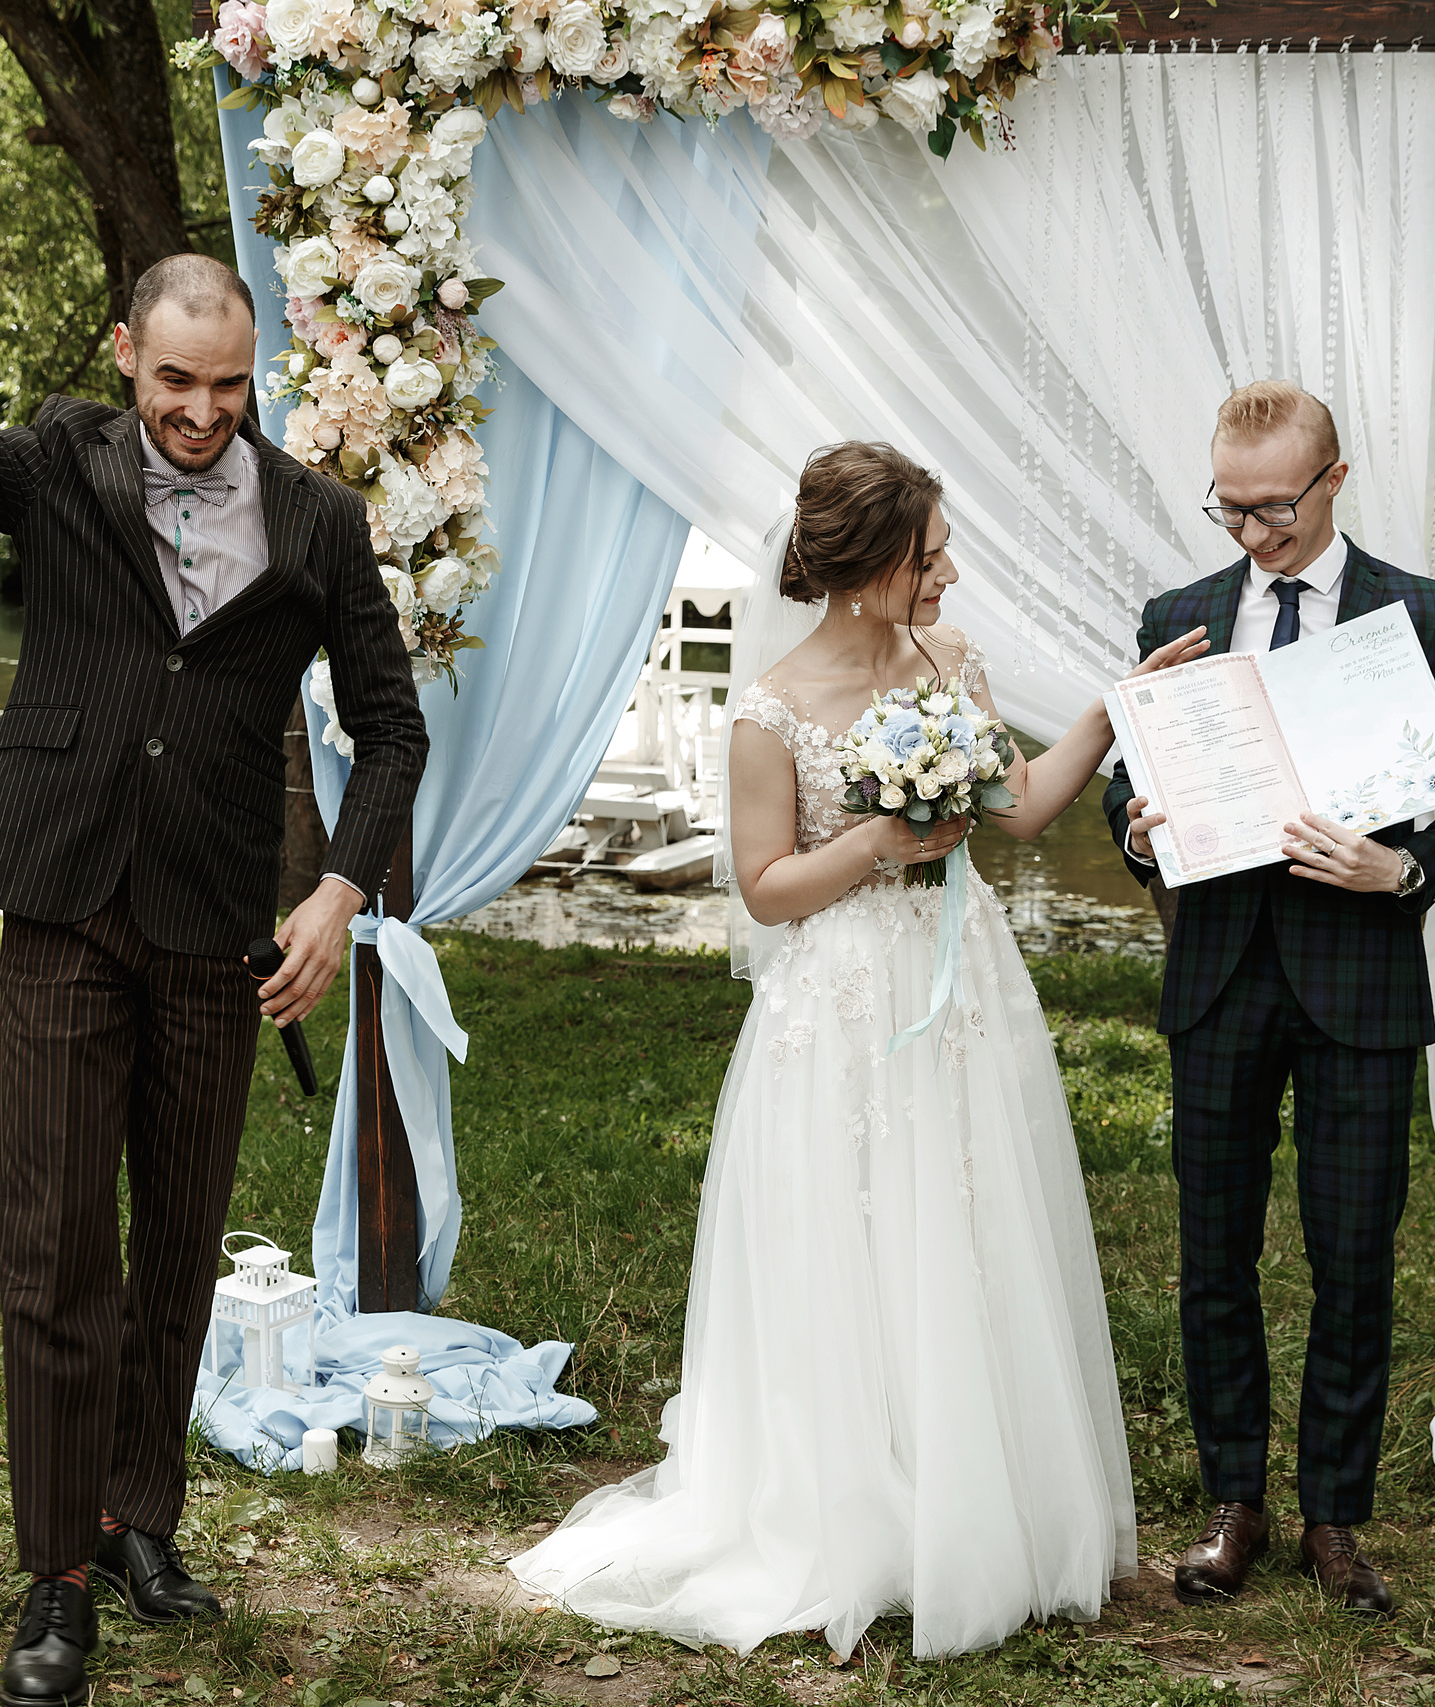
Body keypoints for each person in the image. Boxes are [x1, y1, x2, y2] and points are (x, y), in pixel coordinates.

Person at [0, 92, 427, 1707]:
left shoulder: (319, 525)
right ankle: (56, 1576)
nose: (199, 414)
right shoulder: (55, 468)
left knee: (178, 1253)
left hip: (222, 920)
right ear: (130, 354)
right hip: (67, 893)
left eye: (228, 390)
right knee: (59, 1245)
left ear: (252, 382)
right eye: (173, 383)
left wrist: (342, 885)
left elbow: (393, 723)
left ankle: (142, 1515)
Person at [511, 442, 1208, 1659]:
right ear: (865, 567)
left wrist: (1117, 709)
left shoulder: (955, 663)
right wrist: (882, 841)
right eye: (927, 557)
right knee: (858, 1236)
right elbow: (770, 891)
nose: (947, 576)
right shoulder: (768, 709)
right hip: (839, 1005)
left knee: (972, 1225)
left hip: (963, 979)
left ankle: (977, 1498)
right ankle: (855, 1502)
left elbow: (1025, 806)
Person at [1104, 381, 1435, 1617]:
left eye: (1274, 508)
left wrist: (1409, 867)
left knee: (1353, 1260)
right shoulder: (1177, 615)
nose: (1250, 536)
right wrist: (1134, 826)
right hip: (1219, 976)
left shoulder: (1422, 615)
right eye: (1228, 509)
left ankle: (1335, 1518)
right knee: (1212, 1260)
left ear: (1335, 479)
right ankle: (1233, 1502)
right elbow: (1132, 787)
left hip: (1358, 981)